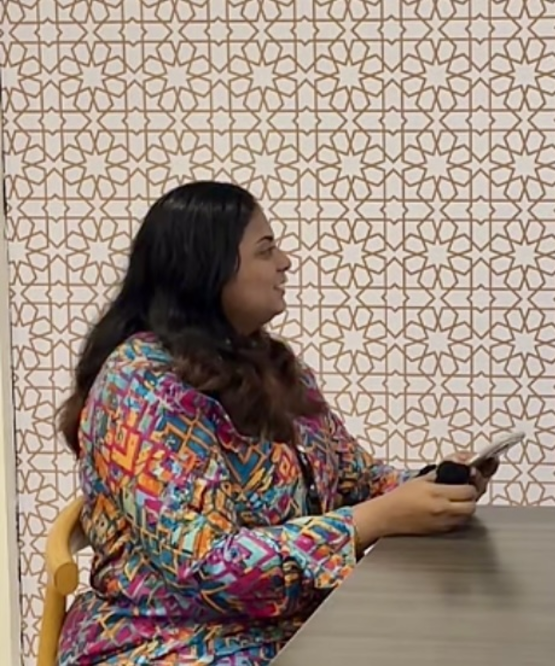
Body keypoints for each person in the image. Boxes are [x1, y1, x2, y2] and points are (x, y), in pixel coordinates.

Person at [56, 181, 495, 665]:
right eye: (266, 250)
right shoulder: (140, 386)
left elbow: (355, 480)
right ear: (207, 271)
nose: (284, 262)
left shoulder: (273, 366)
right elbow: (204, 564)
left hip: (291, 630)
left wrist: (432, 486)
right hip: (167, 643)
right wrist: (373, 521)